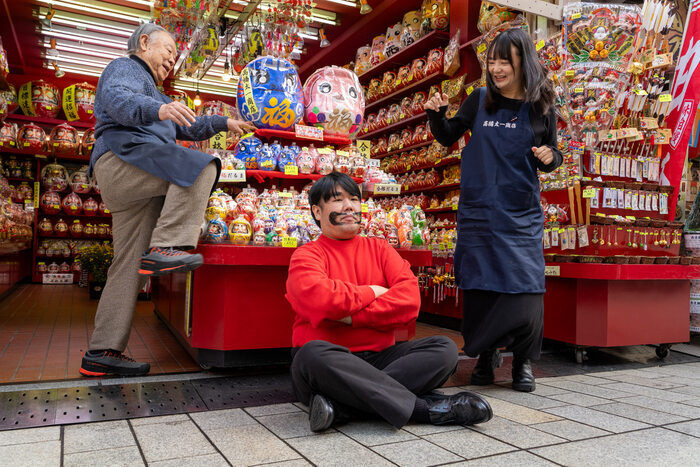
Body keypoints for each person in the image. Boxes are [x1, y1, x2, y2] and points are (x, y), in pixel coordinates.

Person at [80, 23, 255, 377]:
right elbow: (117, 99)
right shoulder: (124, 68)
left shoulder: (157, 93)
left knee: (127, 264)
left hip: (135, 175)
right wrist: (157, 110)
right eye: (169, 51)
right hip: (123, 158)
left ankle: (101, 351)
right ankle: (168, 246)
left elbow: (187, 125)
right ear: (143, 43)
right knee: (202, 165)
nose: (172, 60)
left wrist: (223, 122)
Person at [285, 172, 492, 432]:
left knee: (444, 349)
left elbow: (409, 302)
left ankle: (341, 407)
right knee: (312, 354)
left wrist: (350, 315)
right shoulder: (306, 255)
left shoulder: (381, 249)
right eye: (338, 200)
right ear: (317, 211)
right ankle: (423, 409)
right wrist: (374, 291)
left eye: (354, 199)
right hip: (330, 363)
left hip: (381, 357)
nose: (349, 206)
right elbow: (320, 300)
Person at [425, 28, 563, 392]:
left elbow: (552, 153)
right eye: (492, 60)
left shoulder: (542, 108)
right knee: (480, 285)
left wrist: (550, 157)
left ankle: (522, 363)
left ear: (524, 62)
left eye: (506, 60)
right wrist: (437, 117)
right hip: (480, 213)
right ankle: (485, 356)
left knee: (526, 288)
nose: (497, 68)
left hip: (520, 216)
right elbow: (448, 134)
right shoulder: (479, 98)